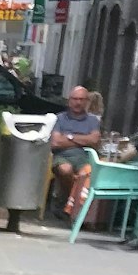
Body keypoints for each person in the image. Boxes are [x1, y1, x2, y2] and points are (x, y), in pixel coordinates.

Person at [48, 86, 103, 216]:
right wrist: (84, 139)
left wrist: (69, 137)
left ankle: (74, 207)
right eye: (75, 99)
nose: (78, 102)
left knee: (87, 174)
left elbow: (94, 140)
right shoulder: (59, 119)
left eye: (81, 99)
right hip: (63, 156)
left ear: (87, 102)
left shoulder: (92, 120)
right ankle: (73, 203)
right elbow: (55, 142)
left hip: (85, 157)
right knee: (65, 170)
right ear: (69, 100)